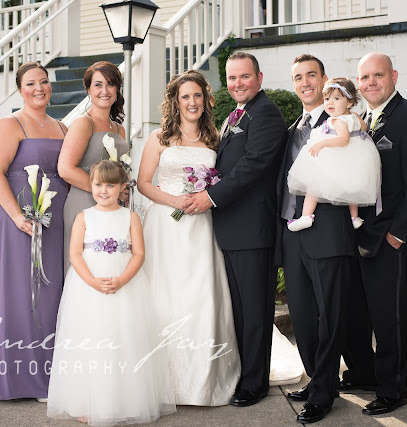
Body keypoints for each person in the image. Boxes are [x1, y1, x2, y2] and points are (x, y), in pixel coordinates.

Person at [184, 52, 288, 407]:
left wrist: (210, 197)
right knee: (239, 310)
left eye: (244, 77)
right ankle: (244, 373)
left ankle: (255, 382)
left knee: (255, 309)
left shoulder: (267, 114)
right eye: (231, 78)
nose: (237, 84)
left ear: (259, 76)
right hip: (230, 229)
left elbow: (254, 165)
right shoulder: (235, 115)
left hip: (252, 229)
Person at [137, 70, 241, 406]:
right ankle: (162, 378)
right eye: (185, 97)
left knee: (200, 294)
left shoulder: (216, 139)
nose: (192, 102)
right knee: (164, 293)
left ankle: (203, 378)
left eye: (197, 95)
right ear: (175, 102)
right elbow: (144, 183)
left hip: (202, 226)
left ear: (205, 100)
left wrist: (202, 197)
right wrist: (175, 201)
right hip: (165, 226)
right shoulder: (159, 139)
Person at [47, 160, 176, 425]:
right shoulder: (83, 217)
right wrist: (93, 282)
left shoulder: (131, 217)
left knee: (124, 339)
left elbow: (139, 254)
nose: (103, 190)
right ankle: (86, 401)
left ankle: (128, 400)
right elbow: (74, 254)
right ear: (91, 185)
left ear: (122, 187)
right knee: (92, 340)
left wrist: (122, 280)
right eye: (98, 184)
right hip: (88, 288)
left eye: (110, 185)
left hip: (125, 288)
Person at [275, 55, 365, 424]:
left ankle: (325, 391)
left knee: (330, 314)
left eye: (311, 75)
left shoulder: (341, 126)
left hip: (327, 229)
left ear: (325, 80)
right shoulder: (294, 126)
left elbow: (354, 170)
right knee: (302, 315)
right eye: (298, 77)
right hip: (292, 230)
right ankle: (316, 379)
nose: (305, 82)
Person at [0, 62, 68, 400]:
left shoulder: (62, 126)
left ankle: (49, 373)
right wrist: (16, 216)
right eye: (31, 83)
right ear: (20, 89)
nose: (39, 88)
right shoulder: (10, 124)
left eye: (44, 82)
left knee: (50, 295)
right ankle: (21, 378)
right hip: (19, 220)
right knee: (21, 295)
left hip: (54, 217)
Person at [355, 52, 407, 415]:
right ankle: (373, 375)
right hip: (363, 234)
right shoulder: (360, 122)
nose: (371, 82)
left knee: (390, 316)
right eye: (365, 77)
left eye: (378, 75)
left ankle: (393, 390)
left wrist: (400, 235)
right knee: (368, 313)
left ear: (394, 77)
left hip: (392, 237)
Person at [58, 61, 128, 273]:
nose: (104, 91)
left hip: (112, 207)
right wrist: (104, 190)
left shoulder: (119, 129)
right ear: (88, 89)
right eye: (98, 85)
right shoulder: (83, 123)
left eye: (110, 84)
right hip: (84, 203)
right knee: (87, 267)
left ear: (117, 88)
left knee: (111, 267)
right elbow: (65, 169)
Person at [286, 77, 380, 231]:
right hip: (355, 157)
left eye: (336, 98)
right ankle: (354, 217)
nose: (330, 102)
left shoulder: (338, 120)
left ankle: (306, 216)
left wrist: (322, 143)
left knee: (313, 184)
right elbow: (363, 128)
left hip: (338, 155)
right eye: (327, 98)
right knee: (352, 188)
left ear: (349, 102)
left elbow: (343, 140)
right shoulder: (355, 116)